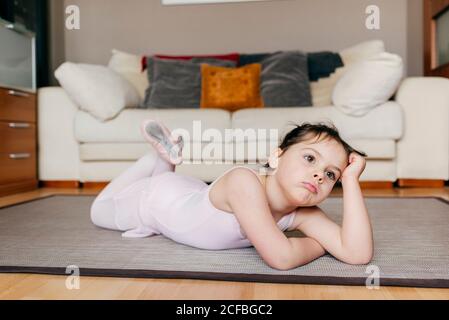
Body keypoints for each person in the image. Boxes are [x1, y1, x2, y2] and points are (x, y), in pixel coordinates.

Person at [90, 119, 373, 270]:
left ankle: (166, 163)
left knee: (170, 182)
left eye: (330, 174)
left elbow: (357, 254)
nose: (319, 176)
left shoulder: (303, 211)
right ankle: (156, 159)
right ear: (276, 157)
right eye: (310, 159)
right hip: (156, 200)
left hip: (192, 194)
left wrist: (351, 181)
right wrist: (322, 244)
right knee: (98, 212)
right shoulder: (244, 182)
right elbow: (282, 258)